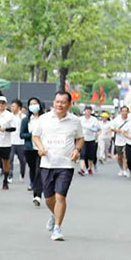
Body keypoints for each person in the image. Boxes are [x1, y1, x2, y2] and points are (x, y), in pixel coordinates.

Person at [31, 91, 84, 241]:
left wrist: (77, 150)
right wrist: (40, 147)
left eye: (63, 102)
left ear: (69, 104)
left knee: (60, 196)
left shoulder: (75, 121)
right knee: (49, 198)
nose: (59, 105)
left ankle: (57, 228)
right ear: (53, 103)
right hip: (47, 163)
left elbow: (80, 138)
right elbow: (35, 136)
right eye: (57, 102)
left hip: (66, 164)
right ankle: (54, 214)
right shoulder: (44, 119)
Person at [20, 97, 44, 207]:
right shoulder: (26, 120)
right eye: (31, 104)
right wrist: (33, 134)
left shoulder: (44, 118)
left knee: (39, 169)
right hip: (29, 148)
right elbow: (22, 134)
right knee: (33, 169)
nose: (33, 106)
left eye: (35, 103)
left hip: (41, 148)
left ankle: (37, 195)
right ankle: (34, 185)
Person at [78, 105, 100, 175]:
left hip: (91, 139)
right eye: (86, 110)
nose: (88, 112)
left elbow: (98, 129)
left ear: (91, 111)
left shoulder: (94, 120)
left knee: (90, 155)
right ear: (84, 111)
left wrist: (96, 134)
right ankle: (82, 169)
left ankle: (89, 168)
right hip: (82, 139)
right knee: (82, 154)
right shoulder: (80, 119)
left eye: (89, 110)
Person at [111, 106, 131, 177]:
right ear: (121, 112)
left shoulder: (130, 120)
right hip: (118, 141)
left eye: (126, 111)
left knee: (125, 156)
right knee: (119, 157)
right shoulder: (116, 119)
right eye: (123, 111)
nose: (124, 113)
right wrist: (118, 130)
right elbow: (112, 128)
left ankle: (125, 170)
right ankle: (121, 168)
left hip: (127, 140)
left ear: (128, 112)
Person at [9, 99, 27, 182]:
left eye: (13, 106)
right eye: (11, 106)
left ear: (18, 107)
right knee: (10, 159)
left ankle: (22, 174)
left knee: (22, 160)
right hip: (11, 141)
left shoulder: (24, 117)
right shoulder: (9, 116)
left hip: (21, 142)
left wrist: (20, 117)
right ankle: (10, 175)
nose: (12, 107)